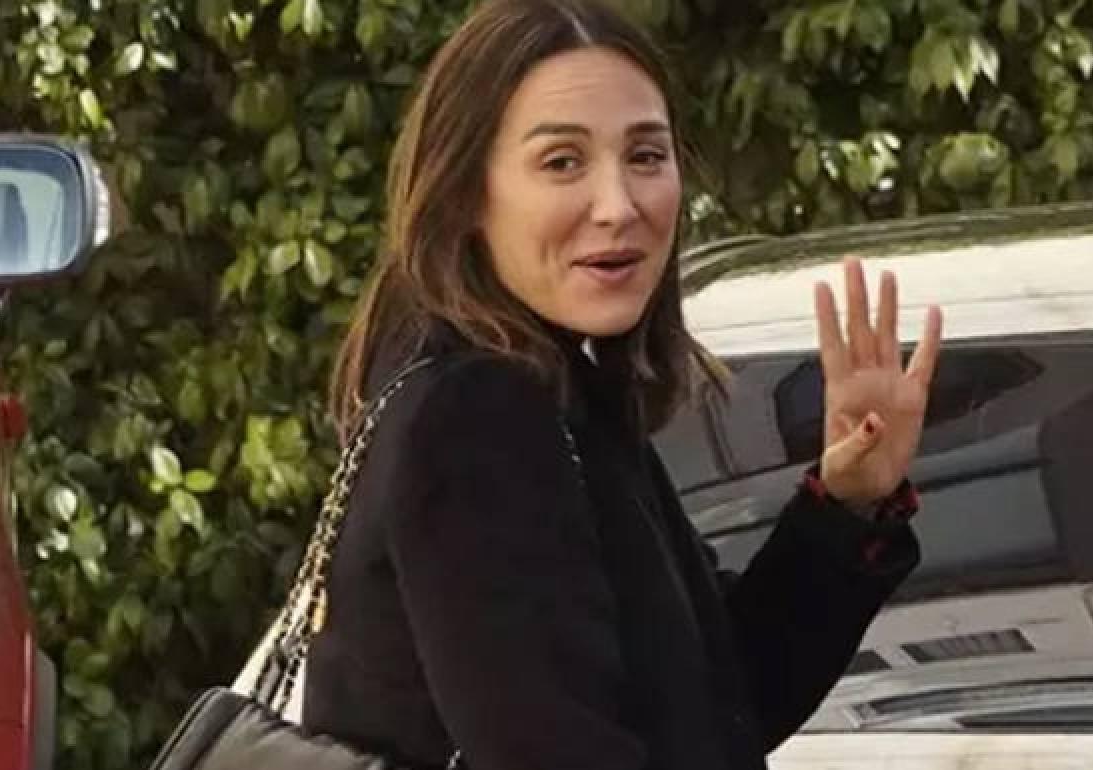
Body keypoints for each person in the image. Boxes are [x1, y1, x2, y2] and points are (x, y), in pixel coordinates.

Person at [304, 0, 943, 768]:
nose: (619, 206)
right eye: (561, 162)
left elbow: (719, 704)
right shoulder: (476, 416)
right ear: (466, 192)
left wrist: (847, 503)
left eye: (645, 156)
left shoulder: (556, 392)